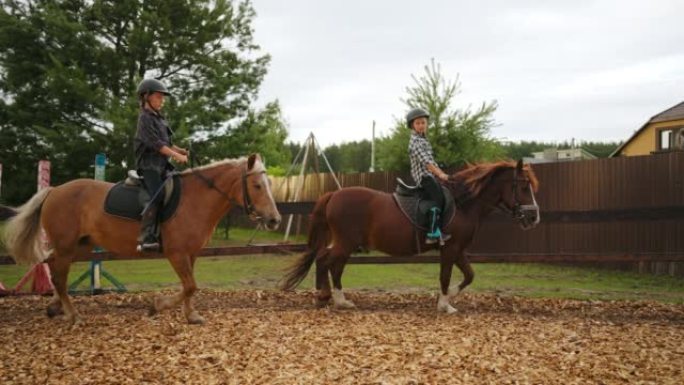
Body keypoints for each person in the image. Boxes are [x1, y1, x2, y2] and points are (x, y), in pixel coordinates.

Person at [134, 78, 188, 252]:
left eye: (162, 98)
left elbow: (167, 143)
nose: (162, 101)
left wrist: (181, 150)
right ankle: (147, 237)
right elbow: (156, 144)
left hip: (162, 166)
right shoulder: (144, 119)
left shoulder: (160, 119)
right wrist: (176, 156)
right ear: (146, 97)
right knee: (157, 196)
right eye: (158, 97)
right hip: (149, 166)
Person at [406, 107, 451, 244]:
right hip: (424, 178)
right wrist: (441, 174)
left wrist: (438, 172)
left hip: (430, 176)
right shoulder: (415, 142)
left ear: (427, 124)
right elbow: (427, 163)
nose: (421, 125)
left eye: (423, 122)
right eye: (417, 123)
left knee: (441, 196)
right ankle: (432, 233)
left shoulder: (424, 140)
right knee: (439, 198)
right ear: (412, 126)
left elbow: (432, 160)